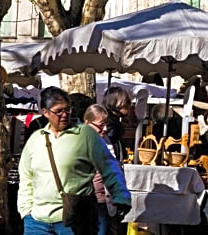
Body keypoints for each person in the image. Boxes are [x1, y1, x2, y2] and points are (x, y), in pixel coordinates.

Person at [18, 87, 131, 235]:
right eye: (59, 111)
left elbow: (110, 166)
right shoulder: (36, 140)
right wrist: (26, 211)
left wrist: (121, 196)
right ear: (45, 112)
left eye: (68, 110)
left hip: (73, 220)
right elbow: (26, 176)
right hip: (37, 222)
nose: (64, 115)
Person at [84, 104, 124, 235]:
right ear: (87, 123)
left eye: (106, 124)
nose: (105, 129)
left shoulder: (109, 142)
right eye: (100, 125)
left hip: (106, 203)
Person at [102, 86, 133, 162]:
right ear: (117, 104)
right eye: (127, 102)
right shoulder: (111, 124)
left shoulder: (113, 121)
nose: (130, 105)